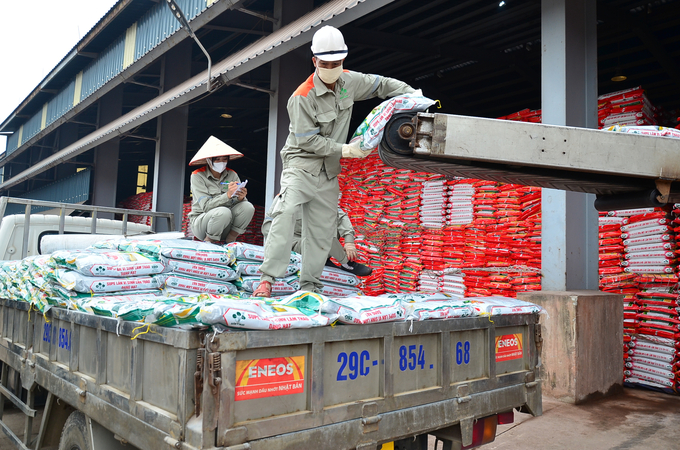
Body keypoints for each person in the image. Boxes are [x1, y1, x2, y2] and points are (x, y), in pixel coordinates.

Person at [254, 25, 417, 297]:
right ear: (315, 61)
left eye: (338, 63)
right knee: (284, 213)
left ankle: (310, 287)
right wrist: (346, 150)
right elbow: (307, 141)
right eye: (327, 63)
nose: (332, 67)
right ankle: (267, 279)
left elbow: (381, 84)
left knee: (320, 230)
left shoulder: (349, 82)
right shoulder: (301, 97)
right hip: (301, 166)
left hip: (328, 173)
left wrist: (410, 94)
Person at [261, 195, 372, 277]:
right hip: (297, 243)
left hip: (317, 238)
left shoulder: (322, 195)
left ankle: (326, 259)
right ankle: (346, 263)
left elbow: (341, 217)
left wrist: (349, 242)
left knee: (328, 224)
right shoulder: (283, 199)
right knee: (318, 237)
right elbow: (267, 227)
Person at [188, 136, 255, 243]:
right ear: (209, 160)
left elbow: (239, 205)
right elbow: (206, 206)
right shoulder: (197, 176)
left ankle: (231, 239)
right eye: (217, 159)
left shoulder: (232, 174)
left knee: (248, 207)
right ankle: (209, 241)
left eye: (224, 159)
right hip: (202, 223)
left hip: (226, 224)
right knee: (223, 211)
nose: (222, 162)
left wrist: (241, 198)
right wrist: (227, 195)